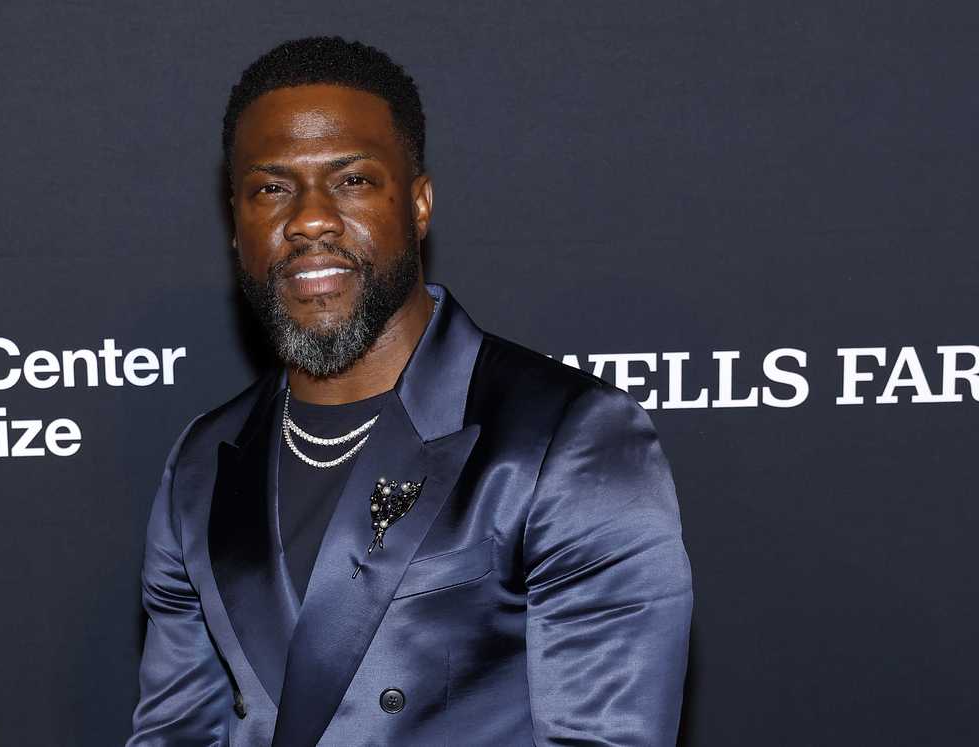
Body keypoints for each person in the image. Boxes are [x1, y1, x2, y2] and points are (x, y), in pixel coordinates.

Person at [128, 36, 692, 747]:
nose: (308, 219)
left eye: (352, 180)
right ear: (236, 226)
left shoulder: (567, 439)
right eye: (271, 188)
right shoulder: (202, 465)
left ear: (419, 205)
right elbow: (175, 733)